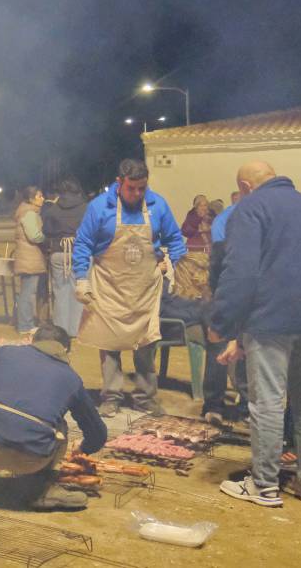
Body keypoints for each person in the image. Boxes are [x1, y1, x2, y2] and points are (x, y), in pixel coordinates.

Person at [211, 162, 301, 508]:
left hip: (271, 321)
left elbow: (241, 272)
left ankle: (264, 486)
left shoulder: (250, 208)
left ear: (245, 186)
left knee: (268, 403)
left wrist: (224, 323)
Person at [0, 325, 108, 511]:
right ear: (66, 350)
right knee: (60, 425)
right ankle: (41, 490)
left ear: (34, 342)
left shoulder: (6, 353)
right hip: (32, 460)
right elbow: (98, 434)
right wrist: (83, 448)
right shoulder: (71, 378)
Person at [73, 159, 186, 417]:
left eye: (141, 189)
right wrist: (81, 278)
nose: (137, 194)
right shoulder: (99, 208)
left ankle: (145, 398)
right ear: (119, 183)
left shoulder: (158, 205)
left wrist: (175, 262)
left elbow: (174, 240)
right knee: (109, 345)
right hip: (109, 287)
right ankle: (111, 397)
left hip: (145, 289)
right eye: (131, 188)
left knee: (146, 345)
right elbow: (83, 244)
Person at [203, 192, 249, 425]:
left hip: (253, 297)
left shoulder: (261, 216)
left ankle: (247, 405)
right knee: (219, 349)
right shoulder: (225, 220)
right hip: (226, 292)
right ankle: (213, 404)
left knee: (247, 352)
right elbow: (218, 263)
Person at [42, 178, 88, 339]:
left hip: (58, 252)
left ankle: (61, 331)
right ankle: (75, 330)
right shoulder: (85, 208)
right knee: (78, 291)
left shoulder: (53, 209)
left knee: (60, 291)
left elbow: (46, 230)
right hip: (79, 252)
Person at [13, 186, 47, 333]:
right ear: (31, 199)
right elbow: (34, 236)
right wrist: (46, 238)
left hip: (26, 256)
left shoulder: (25, 212)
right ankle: (25, 325)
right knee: (27, 293)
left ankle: (25, 324)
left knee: (26, 292)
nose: (43, 198)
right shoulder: (30, 214)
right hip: (30, 257)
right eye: (39, 196)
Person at [174, 194, 213, 300]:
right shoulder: (191, 217)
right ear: (196, 207)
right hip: (193, 252)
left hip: (207, 253)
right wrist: (198, 229)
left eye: (205, 205)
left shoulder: (211, 218)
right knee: (190, 281)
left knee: (205, 282)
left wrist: (207, 229)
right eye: (201, 205)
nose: (204, 208)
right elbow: (185, 231)